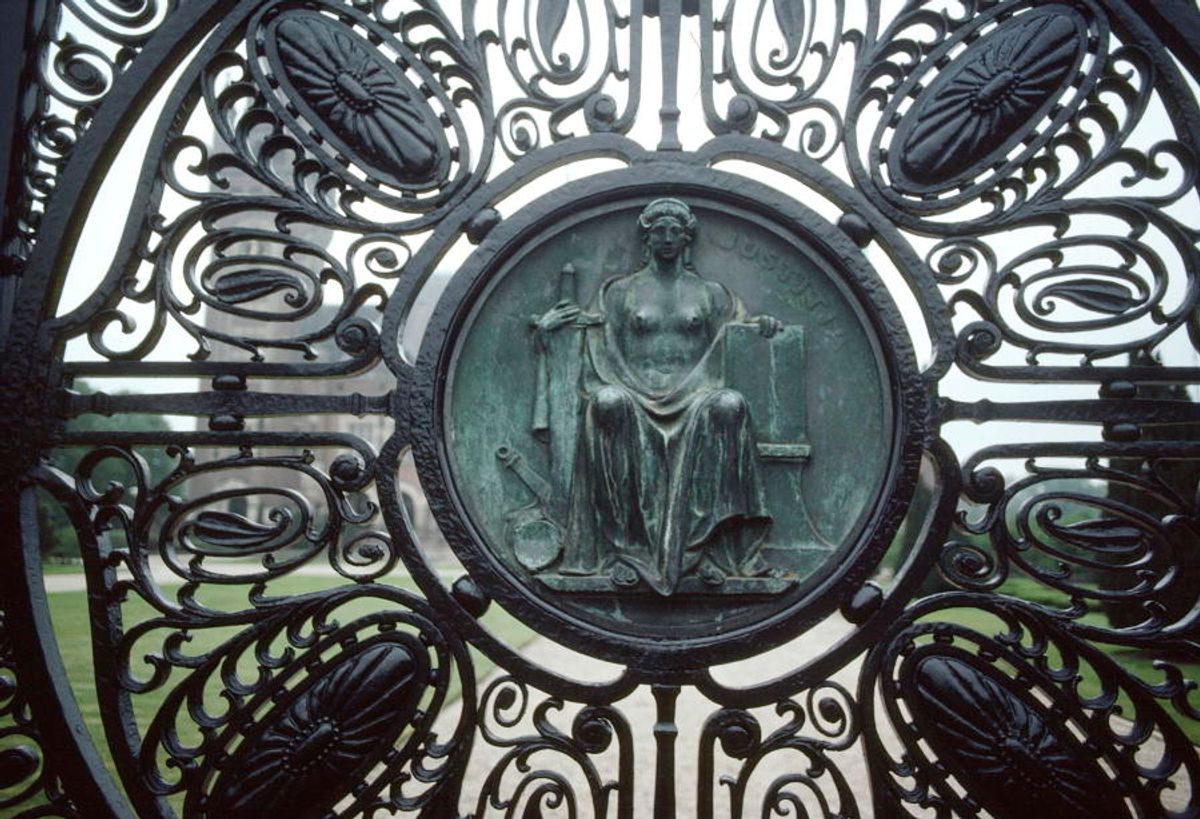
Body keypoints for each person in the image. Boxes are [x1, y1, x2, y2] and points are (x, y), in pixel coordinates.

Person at [535, 198, 782, 595]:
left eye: (675, 232)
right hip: (632, 395)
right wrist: (549, 331)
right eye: (659, 232)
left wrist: (763, 326)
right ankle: (625, 549)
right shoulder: (619, 292)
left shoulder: (712, 293)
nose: (667, 239)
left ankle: (710, 552)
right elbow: (586, 336)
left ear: (686, 240)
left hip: (696, 397)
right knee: (607, 403)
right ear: (647, 239)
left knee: (730, 405)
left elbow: (740, 331)